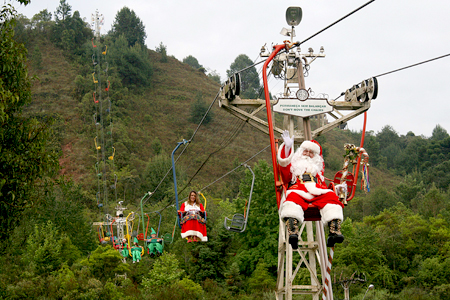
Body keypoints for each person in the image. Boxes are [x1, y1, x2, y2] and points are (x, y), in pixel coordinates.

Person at [278, 130, 345, 248]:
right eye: (305, 151)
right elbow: (284, 172)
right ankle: (293, 232)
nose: (308, 154)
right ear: (300, 153)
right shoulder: (294, 168)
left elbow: (323, 181)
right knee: (292, 200)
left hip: (317, 191)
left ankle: (334, 231)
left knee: (332, 198)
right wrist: (287, 149)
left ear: (316, 156)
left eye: (311, 152)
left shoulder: (317, 171)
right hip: (299, 189)